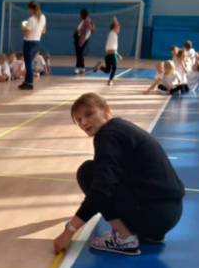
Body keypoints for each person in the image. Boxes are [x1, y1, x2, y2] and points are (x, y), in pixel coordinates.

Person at [52, 93, 184, 257]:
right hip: (169, 214)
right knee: (99, 173)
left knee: (87, 172)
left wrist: (69, 231)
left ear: (106, 109)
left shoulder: (107, 135)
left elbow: (101, 190)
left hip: (154, 215)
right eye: (78, 120)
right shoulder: (121, 127)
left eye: (89, 114)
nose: (84, 122)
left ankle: (124, 238)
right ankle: (145, 231)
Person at [18, 1, 47, 91]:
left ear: (31, 9)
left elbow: (26, 34)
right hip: (37, 42)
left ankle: (29, 83)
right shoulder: (42, 17)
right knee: (29, 63)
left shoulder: (31, 19)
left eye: (29, 9)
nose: (28, 11)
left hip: (29, 43)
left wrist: (23, 27)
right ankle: (26, 81)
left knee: (28, 64)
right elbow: (43, 31)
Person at [93, 17, 120, 85]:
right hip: (112, 55)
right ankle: (110, 80)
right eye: (118, 28)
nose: (119, 29)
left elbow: (113, 48)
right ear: (114, 28)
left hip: (108, 55)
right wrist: (115, 20)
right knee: (114, 68)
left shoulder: (112, 35)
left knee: (108, 70)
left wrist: (118, 55)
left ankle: (99, 67)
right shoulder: (113, 33)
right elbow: (116, 25)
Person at [74, 8, 96, 75]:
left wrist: (83, 39)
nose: (79, 15)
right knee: (79, 54)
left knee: (79, 54)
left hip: (81, 39)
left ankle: (79, 68)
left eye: (80, 14)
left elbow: (90, 30)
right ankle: (81, 68)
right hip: (79, 38)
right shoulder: (84, 21)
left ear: (83, 14)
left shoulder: (87, 21)